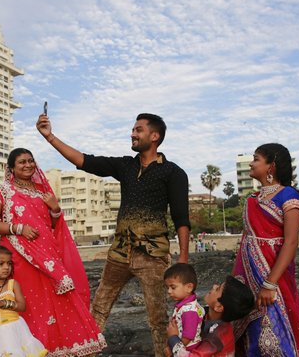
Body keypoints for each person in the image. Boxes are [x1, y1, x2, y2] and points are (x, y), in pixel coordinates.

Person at [37, 111, 190, 356]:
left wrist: (183, 259)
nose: (132, 133)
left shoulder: (173, 173)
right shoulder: (126, 166)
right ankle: (85, 352)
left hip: (153, 256)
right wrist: (50, 137)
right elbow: (85, 161)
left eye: (138, 129)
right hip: (119, 253)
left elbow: (181, 218)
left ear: (154, 136)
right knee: (98, 308)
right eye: (133, 129)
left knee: (158, 318)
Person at [0, 148, 106, 356]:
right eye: (22, 162)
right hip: (20, 256)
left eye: (31, 161)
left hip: (47, 254)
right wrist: (18, 228)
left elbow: (51, 225)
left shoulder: (43, 193)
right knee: (30, 303)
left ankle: (57, 348)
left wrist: (55, 208)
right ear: (11, 168)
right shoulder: (2, 190)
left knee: (56, 298)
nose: (28, 165)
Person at [232, 143, 299, 356]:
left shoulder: (288, 195)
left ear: (271, 166)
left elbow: (291, 242)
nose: (251, 163)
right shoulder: (252, 200)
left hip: (275, 278)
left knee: (274, 336)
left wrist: (270, 283)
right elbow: (247, 240)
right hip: (248, 277)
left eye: (256, 159)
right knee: (250, 336)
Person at [0, 246, 47, 357]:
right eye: (1, 264)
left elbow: (22, 306)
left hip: (14, 328)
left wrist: (3, 303)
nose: (6, 267)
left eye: (9, 263)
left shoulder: (13, 284)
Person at [166, 276, 255, 357]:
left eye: (217, 289)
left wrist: (173, 338)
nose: (214, 286)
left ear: (218, 307)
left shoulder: (218, 336)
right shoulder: (204, 312)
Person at [163, 264, 205, 353]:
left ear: (189, 287)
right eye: (168, 287)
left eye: (173, 287)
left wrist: (172, 348)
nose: (169, 291)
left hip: (187, 349)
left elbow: (188, 336)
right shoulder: (185, 306)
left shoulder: (189, 311)